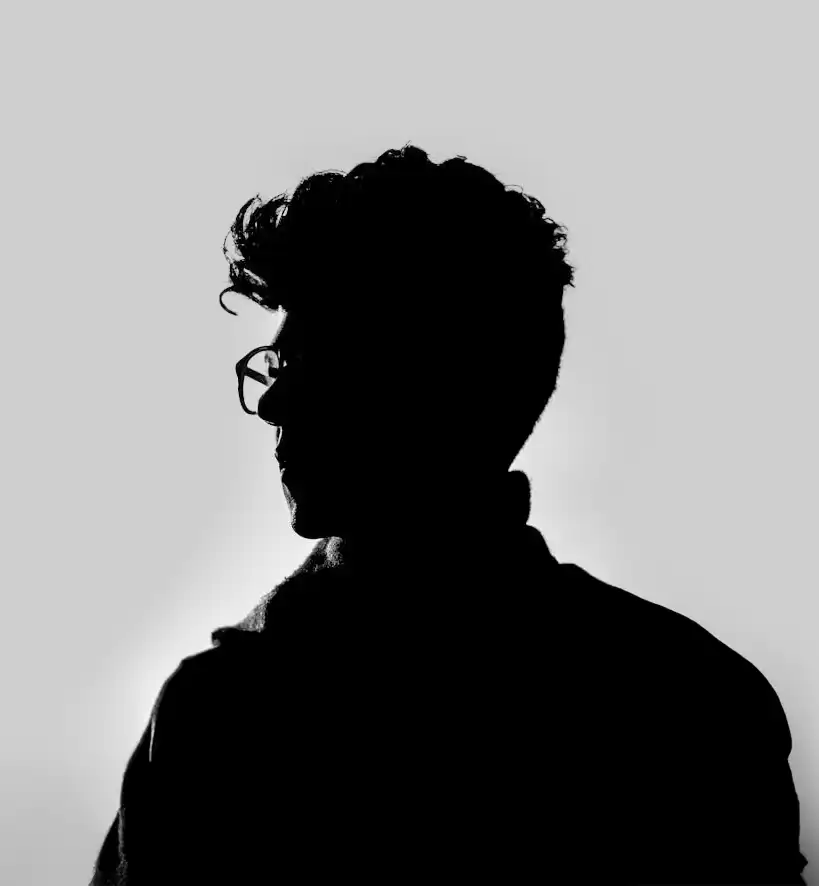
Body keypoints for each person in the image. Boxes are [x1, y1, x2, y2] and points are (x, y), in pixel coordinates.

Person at [90, 144, 808, 884]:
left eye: (306, 365)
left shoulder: (224, 716)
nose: (271, 402)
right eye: (272, 368)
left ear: (426, 382)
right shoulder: (692, 695)